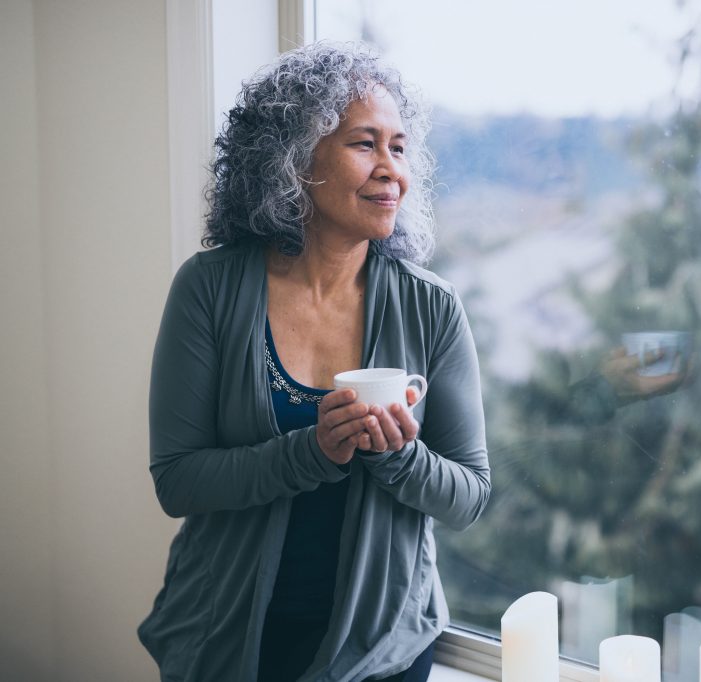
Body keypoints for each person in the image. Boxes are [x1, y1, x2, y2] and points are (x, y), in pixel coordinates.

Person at [138, 42, 490, 682]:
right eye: (365, 144)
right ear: (294, 160)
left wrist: (396, 454)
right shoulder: (209, 288)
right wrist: (313, 452)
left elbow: (468, 495)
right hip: (226, 638)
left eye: (400, 148)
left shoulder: (431, 306)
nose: (392, 170)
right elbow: (178, 481)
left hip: (382, 650)